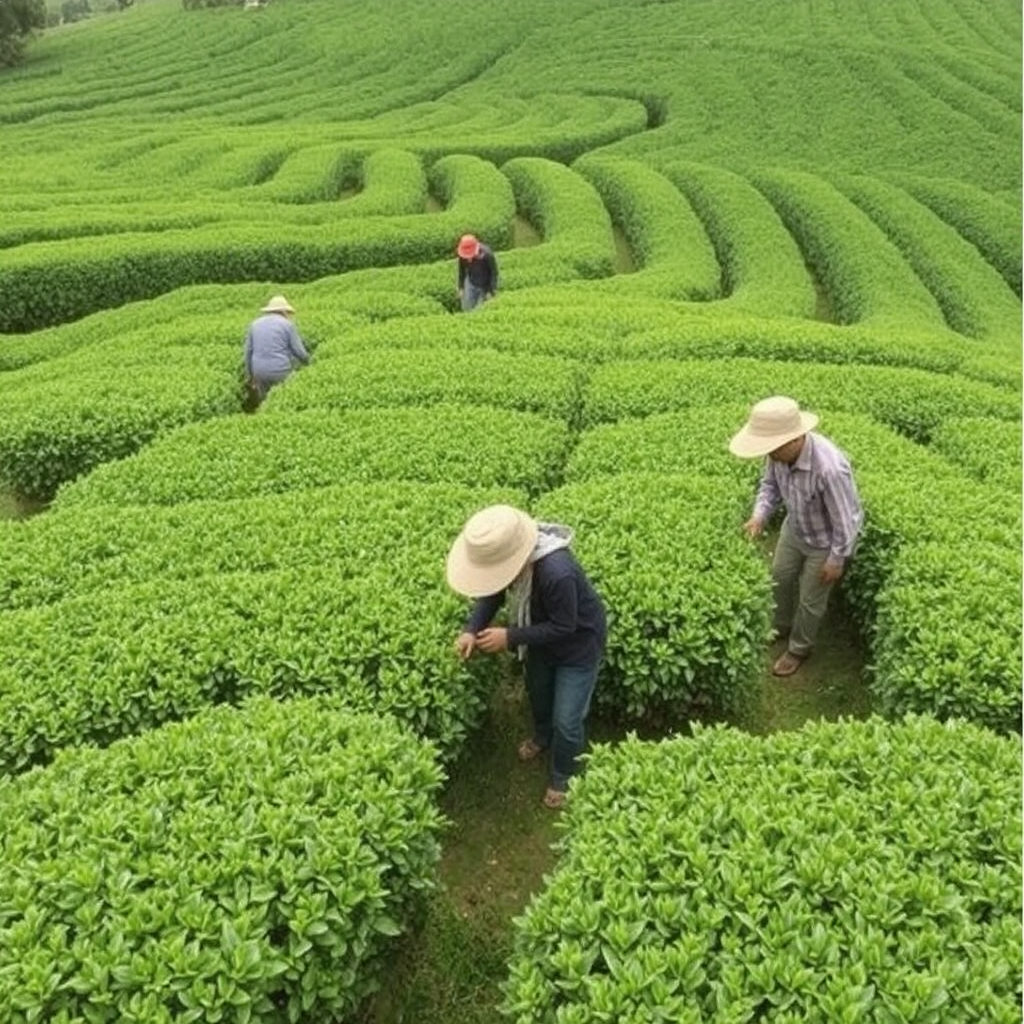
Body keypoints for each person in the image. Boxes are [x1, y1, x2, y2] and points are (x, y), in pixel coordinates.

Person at [446, 504, 606, 809]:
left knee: (568, 720)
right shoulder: (517, 565)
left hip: (577, 646)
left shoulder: (557, 572)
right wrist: (472, 629)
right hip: (541, 640)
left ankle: (563, 776)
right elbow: (492, 592)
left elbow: (564, 626)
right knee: (539, 692)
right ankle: (543, 737)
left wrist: (510, 637)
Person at [729, 396, 863, 677]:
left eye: (773, 449)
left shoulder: (830, 468)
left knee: (811, 600)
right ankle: (780, 626)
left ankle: (798, 648)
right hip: (795, 527)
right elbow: (769, 487)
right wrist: (759, 515)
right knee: (779, 576)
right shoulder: (777, 455)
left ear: (794, 439)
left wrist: (837, 559)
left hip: (824, 543)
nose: (770, 456)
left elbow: (847, 518)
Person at [243, 294, 310, 404]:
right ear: (284, 311)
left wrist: (250, 375)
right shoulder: (287, 325)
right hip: (281, 372)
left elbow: (248, 352)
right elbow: (299, 351)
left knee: (263, 402)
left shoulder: (254, 324)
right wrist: (309, 363)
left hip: (259, 372)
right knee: (283, 400)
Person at [456, 234, 499, 311]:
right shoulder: (462, 255)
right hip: (471, 283)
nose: (468, 258)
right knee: (467, 308)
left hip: (484, 286)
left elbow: (494, 273)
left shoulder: (487, 254)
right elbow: (461, 270)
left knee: (480, 310)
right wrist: (461, 287)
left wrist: (491, 291)